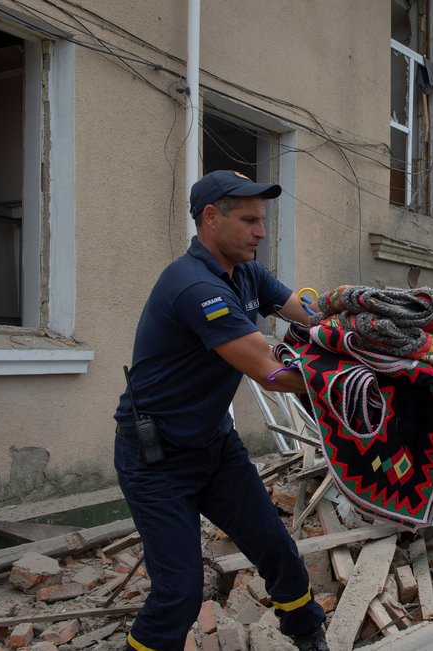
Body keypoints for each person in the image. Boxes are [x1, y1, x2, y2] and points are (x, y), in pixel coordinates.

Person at [113, 170, 329, 651]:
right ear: (211, 218)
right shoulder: (195, 288)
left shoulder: (247, 272)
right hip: (157, 460)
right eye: (250, 220)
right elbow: (271, 372)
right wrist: (358, 382)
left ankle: (308, 634)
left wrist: (362, 330)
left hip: (213, 446)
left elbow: (308, 315)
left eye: (263, 220)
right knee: (179, 592)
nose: (262, 231)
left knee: (278, 551)